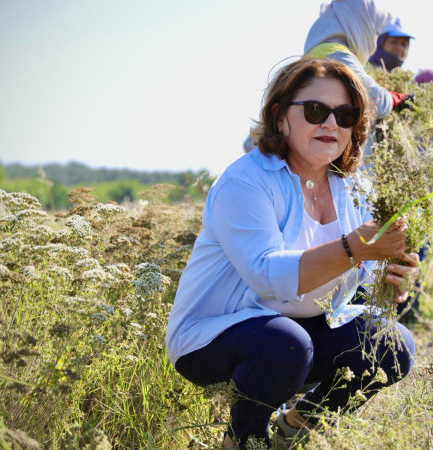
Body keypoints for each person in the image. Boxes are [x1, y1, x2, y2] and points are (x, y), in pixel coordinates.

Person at [166, 58, 418, 449]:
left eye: (345, 114)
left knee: (393, 344)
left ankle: (296, 427)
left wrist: (393, 278)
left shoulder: (352, 187)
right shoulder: (245, 182)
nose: (331, 124)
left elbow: (362, 273)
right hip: (214, 336)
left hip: (302, 331)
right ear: (279, 117)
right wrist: (355, 248)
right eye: (316, 111)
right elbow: (267, 277)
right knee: (286, 345)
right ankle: (244, 441)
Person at [304, 0, 411, 120]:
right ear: (360, 25)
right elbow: (374, 100)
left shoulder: (321, 48)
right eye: (375, 32)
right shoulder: (337, 56)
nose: (374, 41)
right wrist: (394, 99)